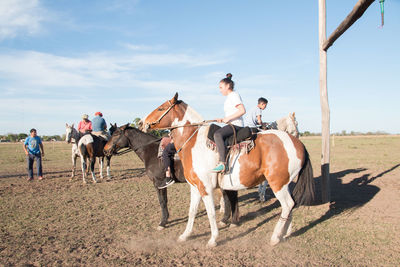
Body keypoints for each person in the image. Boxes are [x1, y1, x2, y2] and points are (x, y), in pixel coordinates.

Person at [212, 73, 246, 173]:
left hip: (236, 125)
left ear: (227, 86)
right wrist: (223, 119)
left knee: (217, 134)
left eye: (221, 87)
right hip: (232, 123)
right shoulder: (230, 97)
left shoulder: (233, 95)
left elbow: (242, 110)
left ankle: (222, 163)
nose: (220, 90)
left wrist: (228, 118)